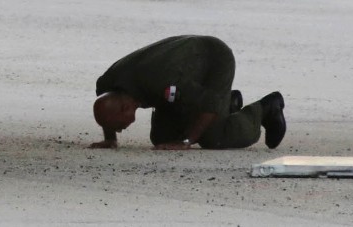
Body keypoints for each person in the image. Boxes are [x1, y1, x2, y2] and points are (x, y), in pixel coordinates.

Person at [90, 35, 287, 151]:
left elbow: (207, 106)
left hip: (213, 61)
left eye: (117, 127)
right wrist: (110, 139)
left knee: (214, 137)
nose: (118, 129)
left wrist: (187, 141)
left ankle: (266, 108)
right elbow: (107, 110)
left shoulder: (163, 81)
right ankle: (227, 104)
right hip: (181, 72)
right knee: (162, 138)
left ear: (125, 107)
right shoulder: (107, 83)